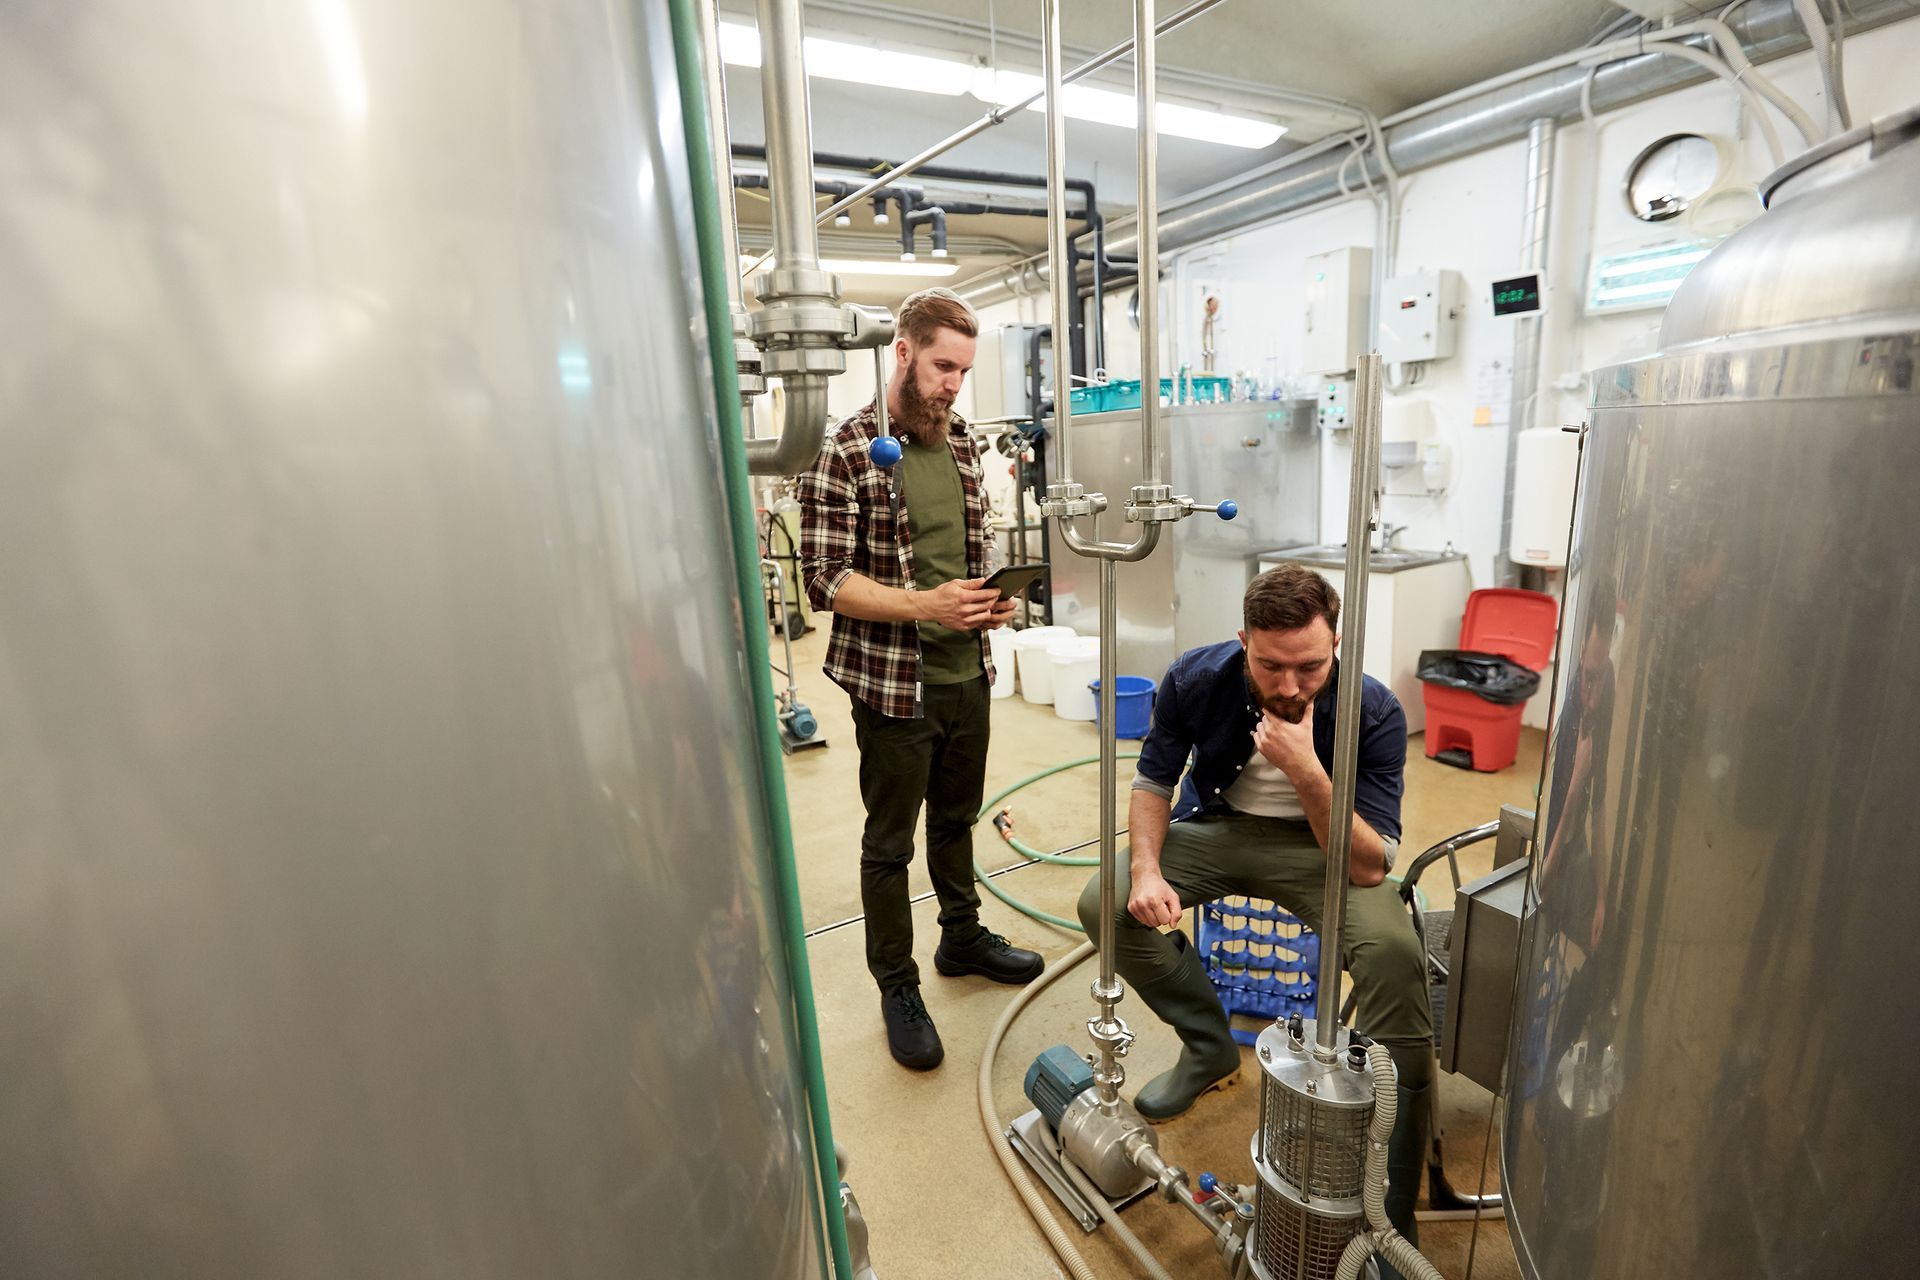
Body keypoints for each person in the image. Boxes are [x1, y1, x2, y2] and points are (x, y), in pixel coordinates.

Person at [1076, 564, 1434, 1242]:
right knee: (1105, 901)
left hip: (1324, 850)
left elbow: (1367, 867)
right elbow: (1153, 782)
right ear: (1244, 642)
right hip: (1215, 828)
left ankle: (1390, 1199)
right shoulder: (1194, 679)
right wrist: (1147, 871)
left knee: (1393, 952)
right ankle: (1208, 1047)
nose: (1290, 686)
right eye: (1271, 666)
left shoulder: (1375, 710)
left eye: (1310, 666)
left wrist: (1307, 770)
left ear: (1336, 644)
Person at [799, 287, 1042, 1072]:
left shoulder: (963, 441)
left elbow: (966, 555)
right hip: (893, 684)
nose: (953, 386)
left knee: (957, 820)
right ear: (902, 353)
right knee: (889, 844)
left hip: (966, 672)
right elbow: (824, 578)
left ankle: (961, 939)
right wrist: (924, 605)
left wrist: (990, 602)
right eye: (942, 367)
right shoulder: (846, 449)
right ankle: (897, 985)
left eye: (963, 371)